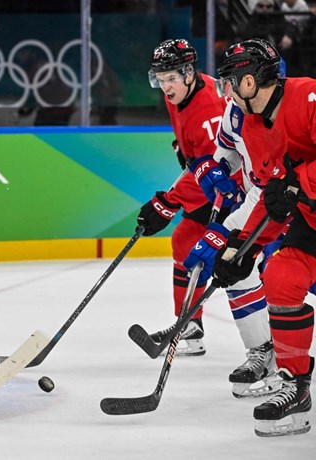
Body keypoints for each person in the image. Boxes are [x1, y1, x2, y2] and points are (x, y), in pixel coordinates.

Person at [206, 38, 314, 437]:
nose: (228, 91)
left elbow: (290, 184)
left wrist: (297, 183)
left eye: (231, 82)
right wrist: (240, 246)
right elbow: (272, 194)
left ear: (250, 81)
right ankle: (296, 387)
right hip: (311, 220)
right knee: (281, 278)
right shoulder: (252, 125)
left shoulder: (308, 96)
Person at [136, 39, 230, 357]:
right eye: (159, 79)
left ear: (189, 73)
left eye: (171, 78)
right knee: (185, 242)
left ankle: (266, 344)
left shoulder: (209, 110)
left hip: (237, 190)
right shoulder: (179, 92)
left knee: (250, 268)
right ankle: (189, 325)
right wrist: (184, 149)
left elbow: (219, 170)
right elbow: (197, 156)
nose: (165, 86)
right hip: (213, 184)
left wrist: (169, 201)